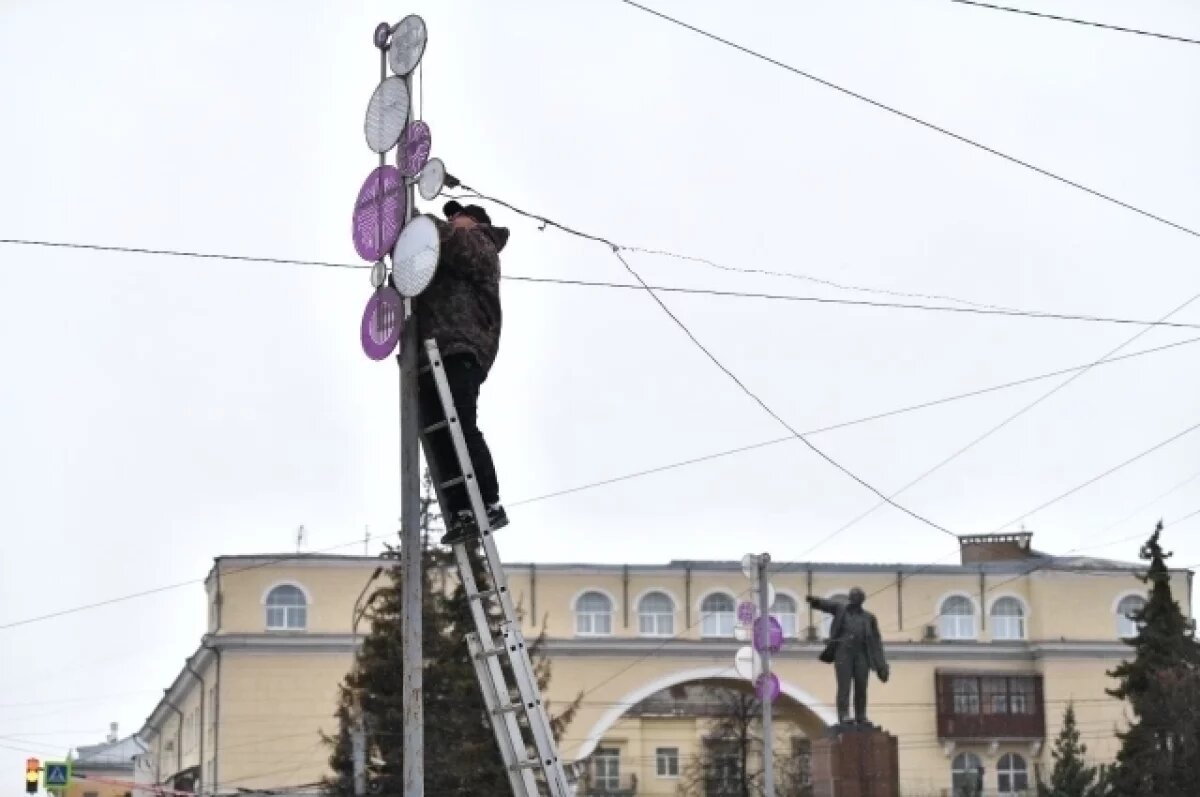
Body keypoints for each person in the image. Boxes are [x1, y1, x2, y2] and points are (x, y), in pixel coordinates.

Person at [414, 200, 509, 546]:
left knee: (461, 425)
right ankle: (461, 511)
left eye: (459, 215)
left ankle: (490, 502)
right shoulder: (442, 249)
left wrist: (418, 221)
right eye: (450, 216)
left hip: (461, 345)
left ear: (478, 222)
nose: (452, 219)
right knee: (439, 435)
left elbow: (452, 243)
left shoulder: (480, 244)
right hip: (430, 353)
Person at [806, 588, 889, 726]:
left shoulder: (869, 618)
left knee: (861, 686)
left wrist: (882, 666)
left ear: (862, 600)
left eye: (858, 597)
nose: (854, 599)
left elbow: (876, 643)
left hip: (862, 654)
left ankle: (861, 716)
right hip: (843, 653)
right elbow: (828, 605)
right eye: (853, 596)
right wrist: (816, 601)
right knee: (844, 686)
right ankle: (844, 715)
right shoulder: (841, 610)